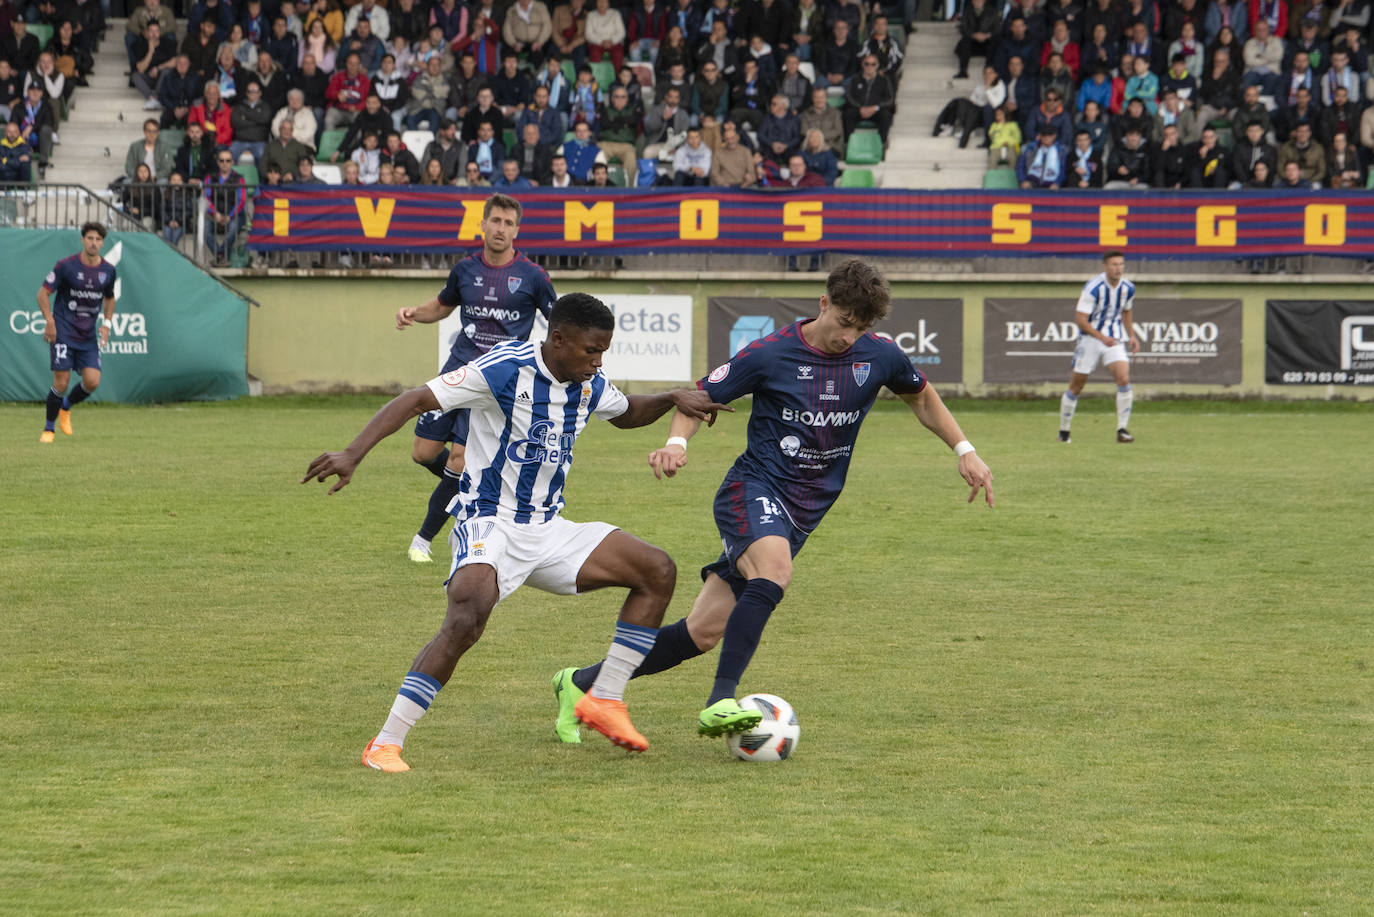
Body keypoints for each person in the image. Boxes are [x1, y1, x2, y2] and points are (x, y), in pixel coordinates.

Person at [551, 260, 994, 743]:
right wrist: (677, 444)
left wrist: (965, 450)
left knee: (702, 632)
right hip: (753, 489)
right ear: (824, 304)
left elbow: (922, 397)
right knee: (774, 573)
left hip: (806, 509)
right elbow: (698, 397)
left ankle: (579, 683)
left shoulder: (880, 354)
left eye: (861, 328)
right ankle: (720, 700)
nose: (850, 337)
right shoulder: (770, 353)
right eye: (845, 322)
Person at [304, 293, 732, 770]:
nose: (597, 361)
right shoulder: (505, 368)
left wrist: (672, 397)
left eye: (604, 352)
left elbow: (627, 411)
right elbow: (415, 400)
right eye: (591, 351)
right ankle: (385, 742)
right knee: (468, 615)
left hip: (548, 529)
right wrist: (352, 453)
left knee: (656, 570)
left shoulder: (586, 381)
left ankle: (604, 698)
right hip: (489, 520)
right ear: (558, 339)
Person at [394, 194, 557, 564]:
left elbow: (557, 323)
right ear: (482, 224)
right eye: (495, 221)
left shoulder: (533, 276)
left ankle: (423, 538)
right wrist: (413, 313)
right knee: (423, 453)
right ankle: (466, 489)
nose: (501, 229)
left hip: (494, 385)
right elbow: (442, 305)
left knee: (460, 456)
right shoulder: (465, 269)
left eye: (508, 223)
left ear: (517, 230)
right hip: (455, 372)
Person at [36, 223, 116, 444]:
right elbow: (42, 294)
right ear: (82, 240)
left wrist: (106, 324)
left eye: (98, 239)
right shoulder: (66, 266)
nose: (94, 243)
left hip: (87, 336)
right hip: (63, 331)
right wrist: (50, 320)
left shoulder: (108, 270)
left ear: (102, 242)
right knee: (61, 382)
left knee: (92, 381)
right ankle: (49, 429)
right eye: (90, 238)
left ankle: (66, 407)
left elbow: (110, 298)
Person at [1058, 251, 1139, 444]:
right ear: (1105, 266)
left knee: (1124, 377)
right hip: (1090, 340)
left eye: (1121, 264)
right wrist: (1101, 337)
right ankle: (1064, 432)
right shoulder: (1093, 288)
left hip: (1114, 339)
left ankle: (1122, 430)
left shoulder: (1128, 288)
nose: (1118, 268)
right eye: (1114, 264)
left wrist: (1131, 335)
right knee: (1076, 386)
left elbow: (1126, 312)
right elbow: (1080, 320)